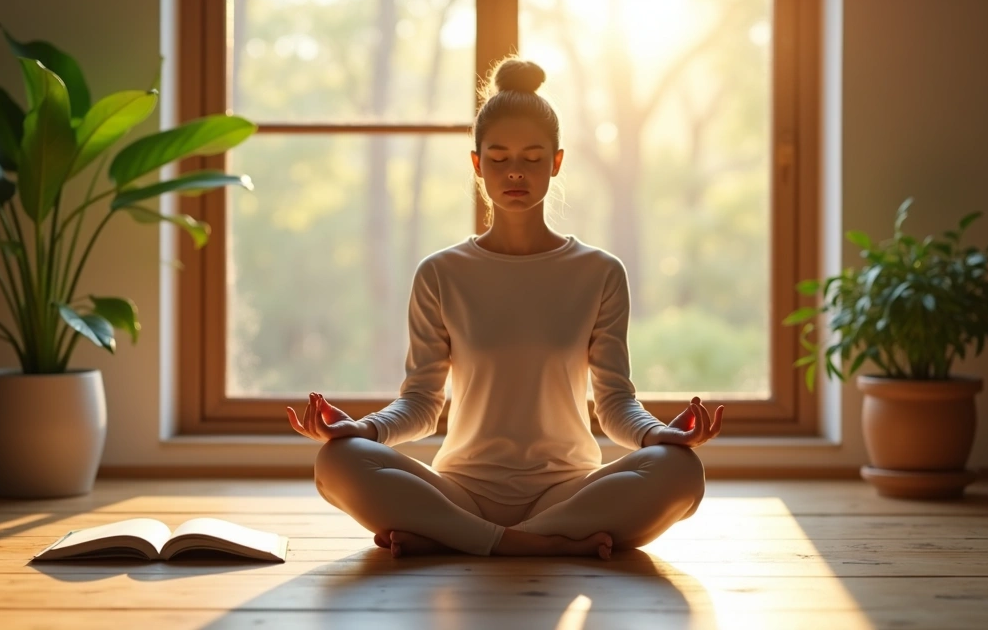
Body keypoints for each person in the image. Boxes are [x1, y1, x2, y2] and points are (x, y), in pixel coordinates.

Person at [287, 57, 723, 560]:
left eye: (533, 158)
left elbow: (614, 403)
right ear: (477, 165)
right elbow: (423, 403)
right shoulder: (441, 273)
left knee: (681, 471)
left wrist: (658, 433)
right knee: (336, 461)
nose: (515, 171)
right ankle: (534, 544)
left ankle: (459, 539)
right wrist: (364, 429)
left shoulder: (600, 273)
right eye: (498, 158)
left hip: (568, 490)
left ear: (556, 162)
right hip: (461, 491)